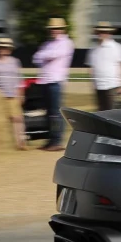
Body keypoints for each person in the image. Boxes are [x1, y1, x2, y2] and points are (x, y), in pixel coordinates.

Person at [33, 18, 74, 151]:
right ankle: (51, 139)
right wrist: (45, 56)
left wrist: (44, 55)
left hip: (55, 81)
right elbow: (36, 58)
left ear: (63, 29)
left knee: (55, 113)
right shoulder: (48, 44)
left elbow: (53, 55)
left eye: (56, 28)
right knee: (49, 112)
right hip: (46, 80)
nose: (54, 31)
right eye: (52, 29)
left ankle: (57, 140)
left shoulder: (66, 43)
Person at [0, 38, 27, 147]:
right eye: (0, 47)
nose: (2, 49)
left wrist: (21, 94)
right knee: (0, 120)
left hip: (13, 95)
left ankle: (20, 142)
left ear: (9, 49)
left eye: (4, 47)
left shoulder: (15, 61)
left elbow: (19, 79)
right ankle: (1, 144)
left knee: (17, 118)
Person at [89, 22, 121, 110]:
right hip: (98, 86)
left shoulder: (118, 47)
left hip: (112, 86)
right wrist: (93, 84)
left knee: (112, 112)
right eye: (100, 32)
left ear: (109, 33)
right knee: (101, 112)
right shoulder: (93, 49)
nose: (102, 34)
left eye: (105, 32)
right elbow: (92, 68)